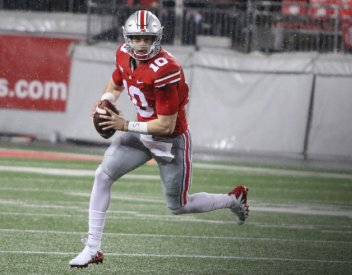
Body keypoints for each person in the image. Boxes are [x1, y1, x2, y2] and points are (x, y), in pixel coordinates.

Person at [69, 10, 249, 268]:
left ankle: (234, 199)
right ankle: (93, 247)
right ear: (127, 37)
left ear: (158, 37)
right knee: (102, 175)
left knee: (179, 206)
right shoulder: (123, 53)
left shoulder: (166, 69)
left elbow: (166, 126)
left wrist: (124, 125)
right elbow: (116, 81)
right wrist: (105, 102)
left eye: (147, 38)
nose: (141, 44)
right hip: (141, 136)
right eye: (136, 38)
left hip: (170, 141)